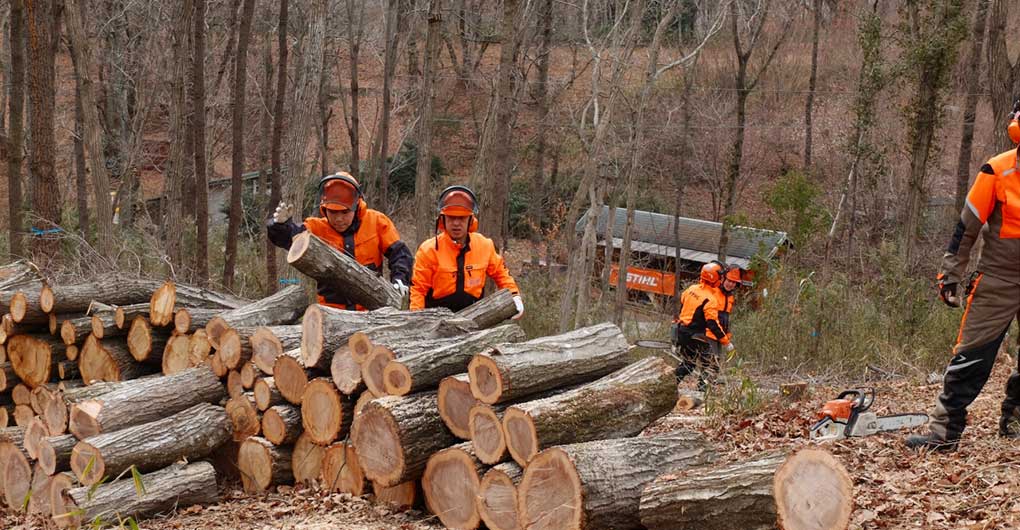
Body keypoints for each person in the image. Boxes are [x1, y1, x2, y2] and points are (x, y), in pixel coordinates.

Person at [905, 105, 1020, 452]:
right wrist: (951, 272)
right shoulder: (997, 169)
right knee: (972, 354)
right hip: (999, 277)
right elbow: (966, 228)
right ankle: (944, 432)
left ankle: (1014, 422)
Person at [267, 172, 413, 310]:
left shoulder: (377, 222)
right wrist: (280, 226)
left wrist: (400, 278)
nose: (339, 219)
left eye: (344, 212)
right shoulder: (316, 228)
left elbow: (399, 253)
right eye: (333, 212)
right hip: (332, 312)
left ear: (356, 206)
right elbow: (291, 238)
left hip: (371, 311)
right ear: (325, 209)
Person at [409, 185, 524, 319]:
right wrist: (415, 319)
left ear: (471, 220)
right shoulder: (428, 250)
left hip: (474, 315)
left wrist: (514, 295)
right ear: (443, 220)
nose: (456, 223)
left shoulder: (484, 245)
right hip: (435, 317)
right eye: (451, 218)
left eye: (462, 218)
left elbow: (501, 274)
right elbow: (417, 289)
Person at [672, 262, 733, 391]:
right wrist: (725, 341)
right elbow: (712, 323)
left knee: (689, 363)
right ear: (715, 278)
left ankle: (670, 384)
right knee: (712, 364)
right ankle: (702, 389)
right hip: (696, 335)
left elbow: (682, 303)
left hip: (682, 330)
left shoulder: (691, 289)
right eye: (720, 276)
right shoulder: (710, 299)